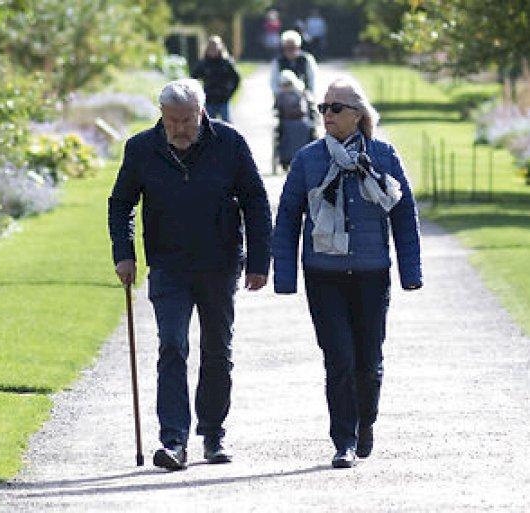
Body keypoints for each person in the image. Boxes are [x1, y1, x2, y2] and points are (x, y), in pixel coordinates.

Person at [108, 78, 273, 471]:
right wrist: (124, 254)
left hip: (219, 264)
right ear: (161, 116)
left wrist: (258, 262)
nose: (180, 128)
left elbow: (256, 201)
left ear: (201, 112)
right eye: (172, 120)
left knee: (218, 350)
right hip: (168, 265)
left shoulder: (229, 144)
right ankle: (174, 441)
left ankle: (213, 434)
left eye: (186, 120)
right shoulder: (141, 149)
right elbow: (121, 205)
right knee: (172, 345)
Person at [271, 77, 422, 469]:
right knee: (338, 358)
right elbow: (287, 218)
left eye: (335, 108)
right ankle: (344, 440)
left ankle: (365, 423)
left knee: (368, 360)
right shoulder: (308, 159)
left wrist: (411, 271)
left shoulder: (384, 156)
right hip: (323, 274)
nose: (327, 116)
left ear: (358, 115)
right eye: (323, 108)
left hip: (372, 273)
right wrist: (284, 277)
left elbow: (404, 215)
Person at [191, 35, 240, 123]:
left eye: (215, 48)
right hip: (209, 99)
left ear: (220, 48)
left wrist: (230, 93)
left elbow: (236, 78)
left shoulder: (226, 63)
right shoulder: (203, 64)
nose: (213, 50)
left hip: (223, 99)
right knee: (207, 125)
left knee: (227, 125)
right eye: (211, 48)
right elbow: (193, 78)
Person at [274, 70, 316, 170]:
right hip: (286, 121)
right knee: (285, 132)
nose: (286, 86)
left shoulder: (302, 93)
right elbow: (276, 109)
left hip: (302, 120)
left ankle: (306, 157)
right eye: (284, 84)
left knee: (306, 128)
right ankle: (286, 159)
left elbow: (310, 107)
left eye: (288, 84)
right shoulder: (280, 96)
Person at [270, 30, 318, 96]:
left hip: (303, 93)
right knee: (285, 75)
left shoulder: (307, 59)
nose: (290, 51)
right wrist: (279, 92)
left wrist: (310, 93)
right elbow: (273, 81)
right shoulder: (278, 61)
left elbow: (312, 78)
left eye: (293, 48)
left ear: (298, 47)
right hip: (283, 94)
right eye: (287, 48)